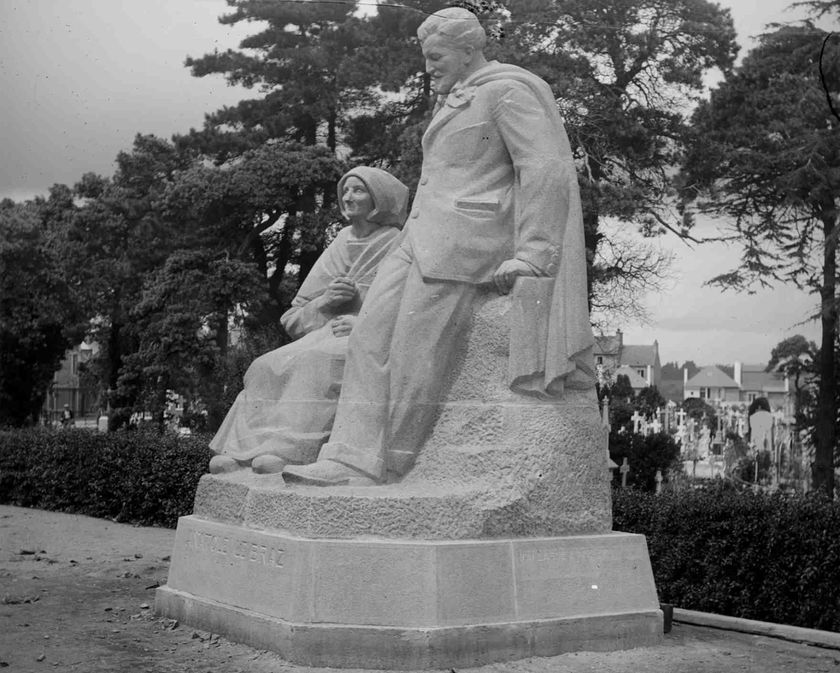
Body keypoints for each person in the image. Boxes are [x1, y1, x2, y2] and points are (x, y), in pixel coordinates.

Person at [283, 8, 594, 487]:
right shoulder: (452, 101)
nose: (428, 68)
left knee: (414, 347)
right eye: (426, 58)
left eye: (436, 56)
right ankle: (346, 455)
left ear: (470, 49)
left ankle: (384, 461)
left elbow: (545, 169)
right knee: (368, 337)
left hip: (471, 243)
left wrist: (532, 252)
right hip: (418, 236)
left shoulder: (508, 90)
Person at [208, 167, 409, 474]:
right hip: (325, 332)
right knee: (265, 365)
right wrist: (326, 302)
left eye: (359, 190)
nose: (348, 197)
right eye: (345, 190)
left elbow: (408, 305)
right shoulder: (341, 242)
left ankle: (288, 451)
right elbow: (293, 319)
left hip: (366, 338)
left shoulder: (396, 243)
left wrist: (362, 322)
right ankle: (241, 451)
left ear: (378, 199)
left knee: (318, 361)